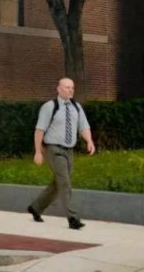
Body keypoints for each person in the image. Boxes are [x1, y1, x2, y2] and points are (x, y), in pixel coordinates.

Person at [28, 77, 95, 230]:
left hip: (69, 151)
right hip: (54, 150)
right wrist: (38, 152)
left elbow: (84, 127)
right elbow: (39, 130)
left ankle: (36, 207)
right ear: (58, 89)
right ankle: (73, 218)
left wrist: (89, 141)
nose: (70, 90)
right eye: (66, 87)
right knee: (64, 183)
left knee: (59, 184)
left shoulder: (76, 107)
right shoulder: (49, 107)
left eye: (72, 87)